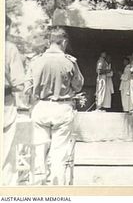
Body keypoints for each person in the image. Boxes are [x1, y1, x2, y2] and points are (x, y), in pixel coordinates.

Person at [25, 26, 84, 185]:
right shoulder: (70, 62)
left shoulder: (36, 60)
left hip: (41, 107)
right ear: (64, 42)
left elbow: (27, 88)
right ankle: (57, 189)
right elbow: (78, 86)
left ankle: (38, 188)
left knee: (39, 151)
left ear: (49, 41)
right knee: (59, 154)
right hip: (62, 108)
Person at [3, 16, 25, 185]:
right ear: (7, 27)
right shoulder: (9, 49)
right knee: (6, 152)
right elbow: (18, 84)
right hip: (5, 102)